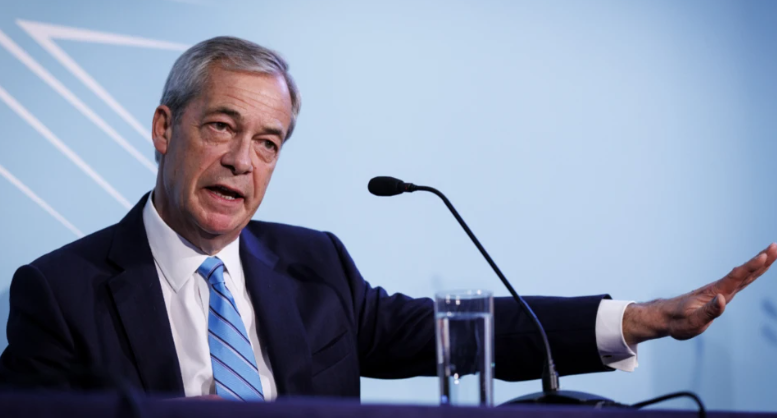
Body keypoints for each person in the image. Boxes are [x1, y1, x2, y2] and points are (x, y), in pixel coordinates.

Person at [0, 36, 774, 402]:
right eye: (221, 128)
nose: (242, 160)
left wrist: (641, 319)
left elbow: (460, 330)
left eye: (268, 142)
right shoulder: (59, 291)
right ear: (165, 130)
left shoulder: (314, 267)